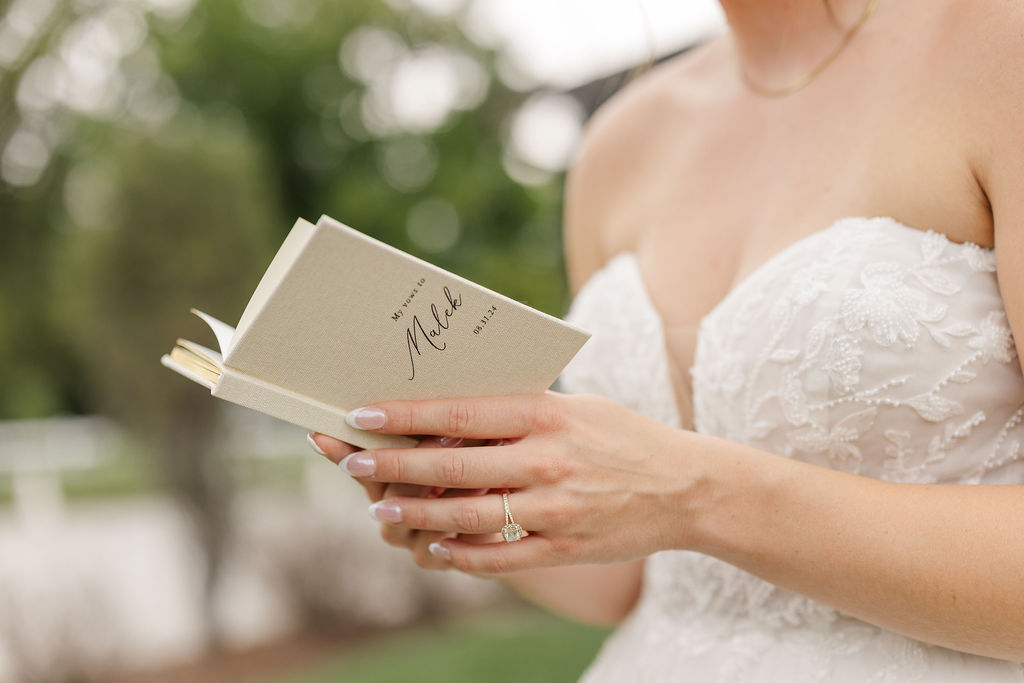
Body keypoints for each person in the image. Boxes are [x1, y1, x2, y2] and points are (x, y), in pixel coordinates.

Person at [308, 0, 1024, 679]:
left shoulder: (997, 48)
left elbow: (674, 496)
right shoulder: (619, 145)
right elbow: (635, 581)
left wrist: (694, 494)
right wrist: (473, 515)